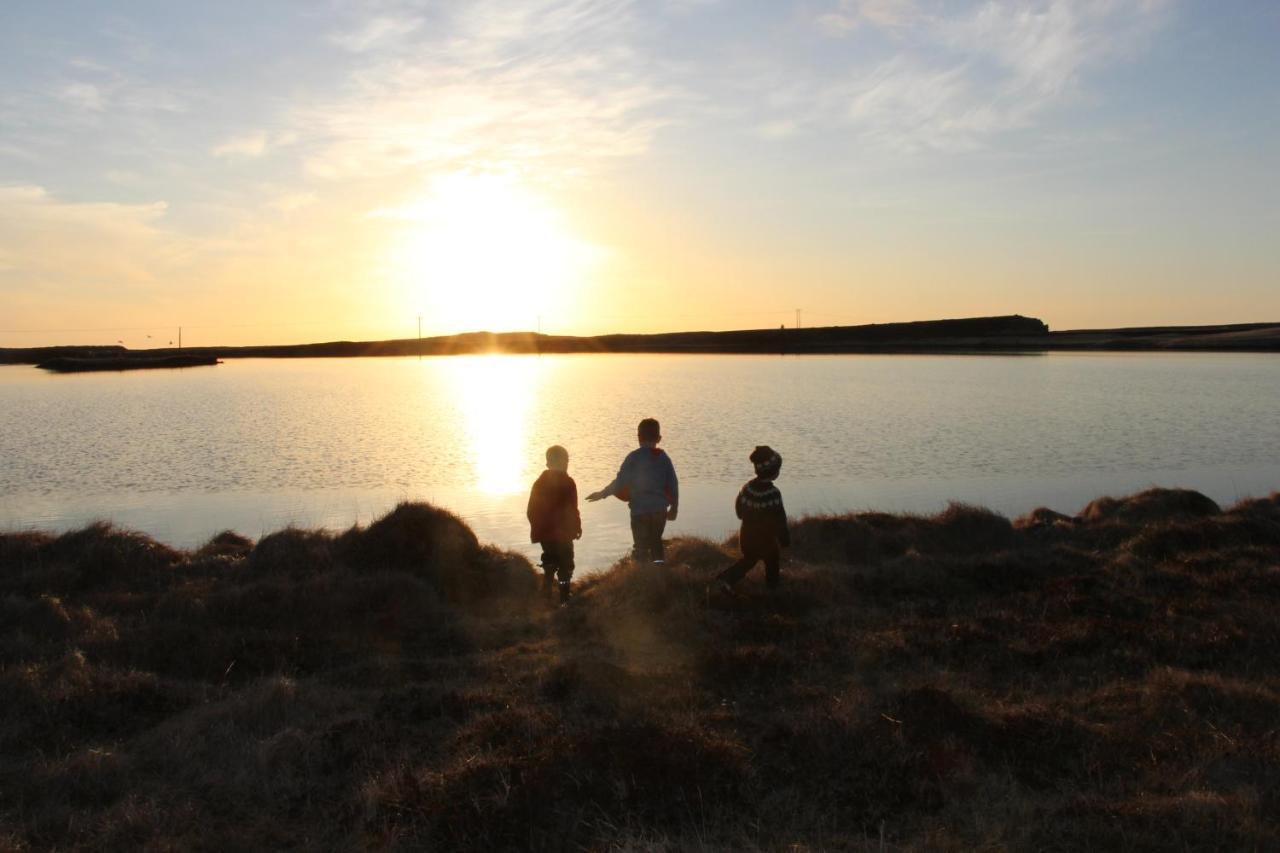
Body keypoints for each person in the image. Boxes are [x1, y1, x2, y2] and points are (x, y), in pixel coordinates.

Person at [586, 418, 679, 564]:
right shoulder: (664, 458)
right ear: (659, 438)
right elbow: (673, 484)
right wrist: (674, 508)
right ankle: (659, 573)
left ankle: (641, 574)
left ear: (638, 437)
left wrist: (602, 494)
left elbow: (620, 482)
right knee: (656, 544)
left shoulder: (633, 457)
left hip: (639, 511)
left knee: (641, 547)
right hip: (659, 511)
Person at [716, 445, 789, 592]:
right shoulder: (773, 494)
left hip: (747, 537)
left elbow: (739, 512)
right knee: (772, 561)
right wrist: (784, 541)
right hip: (766, 540)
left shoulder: (747, 488)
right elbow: (780, 520)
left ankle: (726, 579)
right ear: (773, 472)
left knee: (748, 561)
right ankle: (772, 589)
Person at [527, 444, 582, 604]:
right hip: (563, 534)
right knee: (566, 564)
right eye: (566, 462)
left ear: (548, 464)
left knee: (549, 561)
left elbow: (531, 510)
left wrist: (537, 529)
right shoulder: (569, 483)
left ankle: (546, 591)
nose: (566, 465)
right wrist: (576, 527)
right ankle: (564, 596)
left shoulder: (539, 483)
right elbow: (572, 509)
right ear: (565, 462)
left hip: (544, 533)